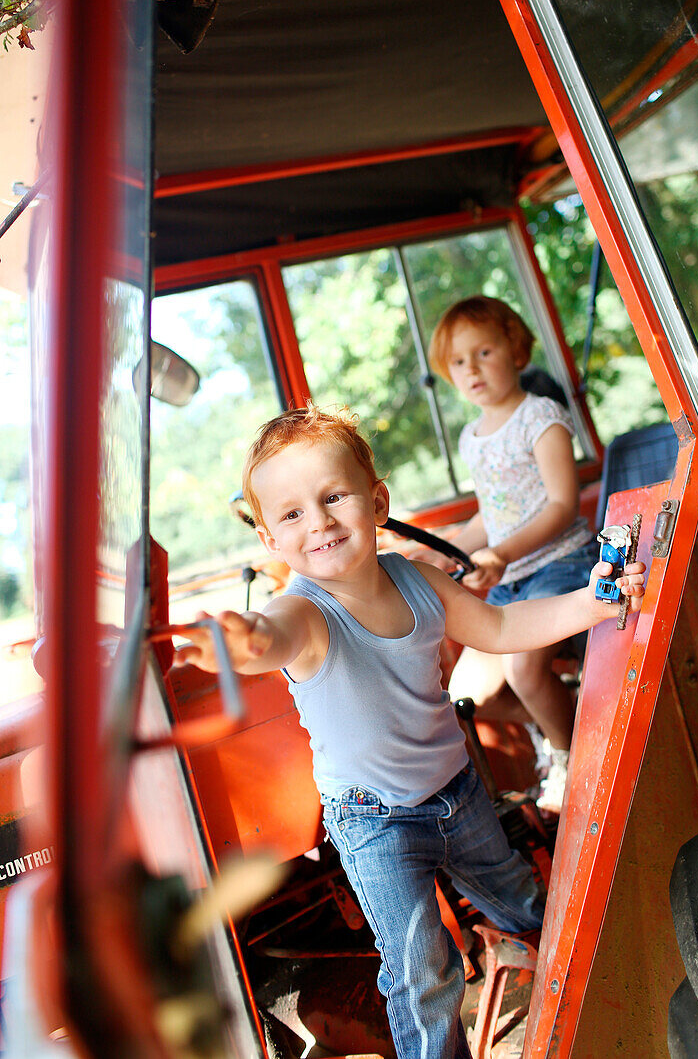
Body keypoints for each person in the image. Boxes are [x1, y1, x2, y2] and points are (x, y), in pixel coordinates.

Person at [177, 404, 645, 1059]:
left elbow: (502, 629)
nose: (318, 521)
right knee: (423, 970)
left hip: (456, 792)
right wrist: (241, 642)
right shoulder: (303, 612)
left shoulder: (415, 579)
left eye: (333, 496)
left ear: (376, 501)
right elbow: (268, 640)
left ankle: (620, 989)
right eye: (291, 514)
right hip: (375, 821)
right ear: (269, 541)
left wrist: (593, 602)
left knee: (523, 900)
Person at [427, 295, 598, 810]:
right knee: (466, 697)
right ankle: (569, 725)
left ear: (517, 351)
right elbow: (491, 514)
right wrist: (442, 554)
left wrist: (500, 554)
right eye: (458, 361)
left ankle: (573, 761)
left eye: (483, 352)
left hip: (559, 565)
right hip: (509, 579)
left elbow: (562, 505)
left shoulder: (539, 417)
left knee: (523, 671)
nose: (471, 368)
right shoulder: (472, 438)